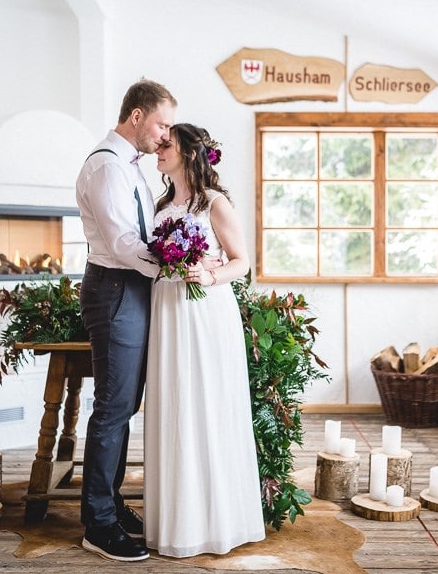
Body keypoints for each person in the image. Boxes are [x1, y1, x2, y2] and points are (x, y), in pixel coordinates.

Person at [143, 123, 266, 557]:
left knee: (206, 406)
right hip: (167, 311)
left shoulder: (214, 203)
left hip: (205, 311)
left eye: (166, 144)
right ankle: (176, 522)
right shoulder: (160, 204)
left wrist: (208, 274)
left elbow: (242, 263)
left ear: (189, 154)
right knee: (174, 406)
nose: (158, 149)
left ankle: (217, 523)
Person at [75, 79, 176, 562]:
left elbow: (145, 232)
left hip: (132, 287)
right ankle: (97, 523)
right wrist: (173, 270)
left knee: (125, 404)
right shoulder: (105, 165)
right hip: (114, 288)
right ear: (136, 116)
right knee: (113, 407)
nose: (164, 134)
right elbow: (121, 243)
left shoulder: (130, 167)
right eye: (161, 123)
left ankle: (110, 503)